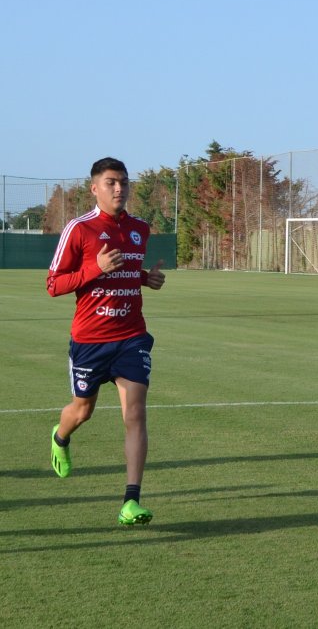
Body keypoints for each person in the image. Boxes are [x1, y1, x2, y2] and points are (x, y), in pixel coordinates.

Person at [47, 157, 166, 525]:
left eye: (124, 183)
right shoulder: (78, 229)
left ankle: (131, 500)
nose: (120, 189)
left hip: (131, 336)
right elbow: (54, 284)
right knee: (82, 410)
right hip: (90, 340)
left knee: (135, 413)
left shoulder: (139, 229)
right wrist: (95, 267)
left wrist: (145, 278)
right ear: (94, 188)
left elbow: (127, 271)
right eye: (112, 182)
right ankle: (61, 436)